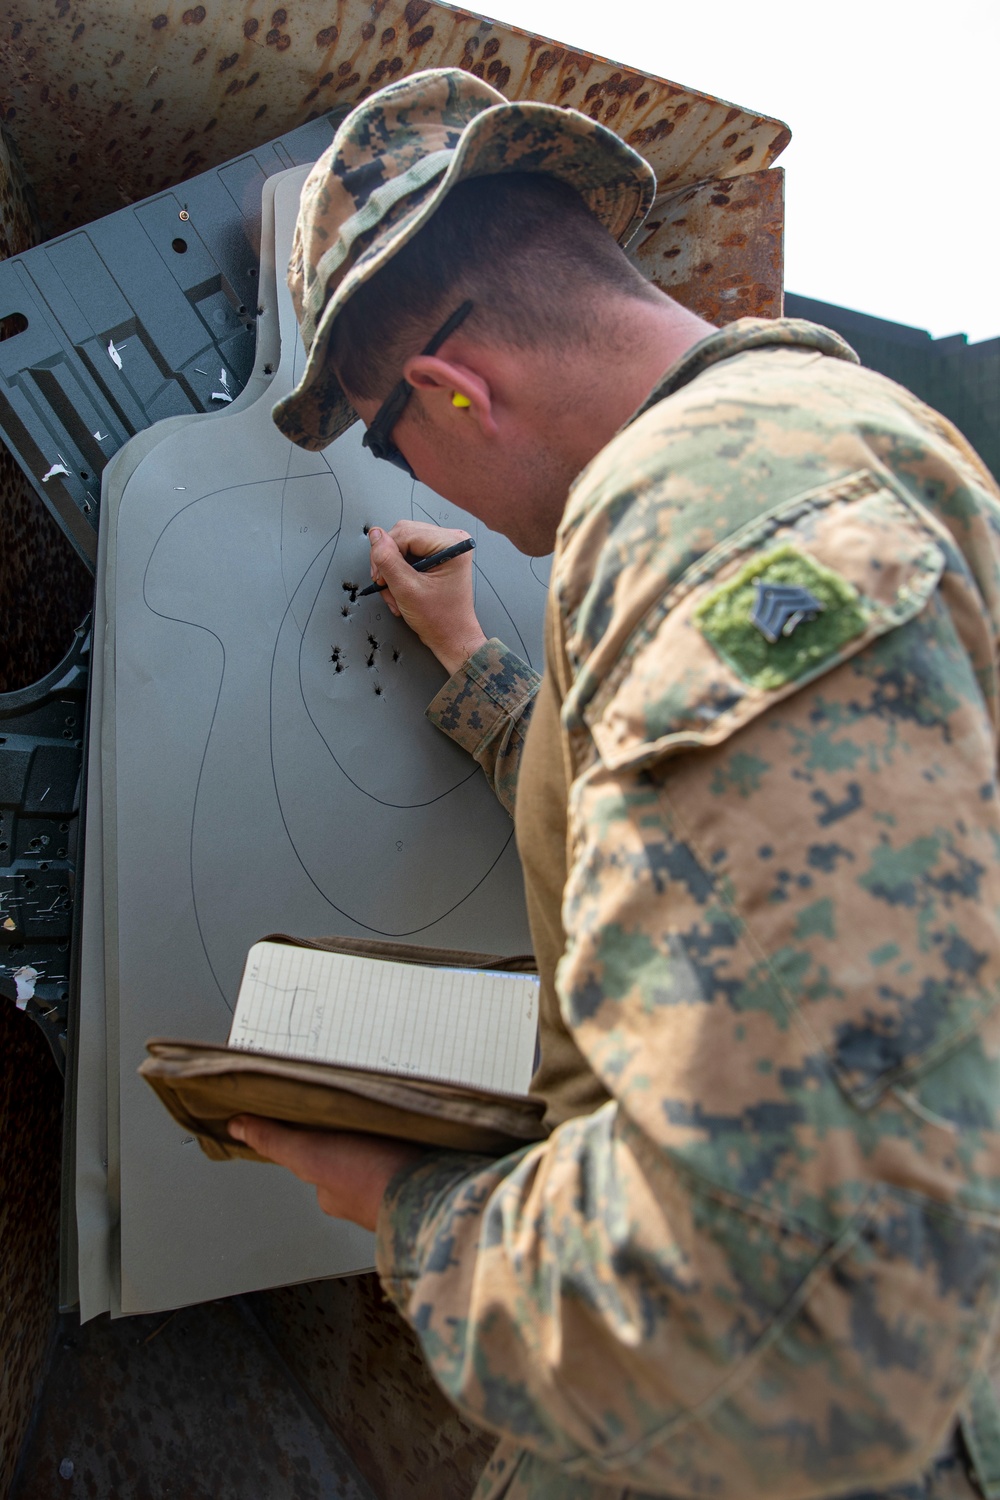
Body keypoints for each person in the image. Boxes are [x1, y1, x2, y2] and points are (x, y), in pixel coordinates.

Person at [229, 66, 1000, 1500]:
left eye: (391, 439)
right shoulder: (801, 451)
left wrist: (409, 1209)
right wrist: (474, 666)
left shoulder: (711, 513)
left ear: (454, 391)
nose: (418, 480)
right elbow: (715, 822)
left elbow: (789, 1303)